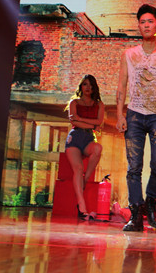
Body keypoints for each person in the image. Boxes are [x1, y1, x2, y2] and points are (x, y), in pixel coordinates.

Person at [117, 4, 156, 232]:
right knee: (134, 166)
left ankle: (151, 203)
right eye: (142, 22)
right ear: (138, 26)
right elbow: (121, 85)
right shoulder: (129, 55)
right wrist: (120, 114)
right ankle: (135, 214)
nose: (146, 25)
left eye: (150, 21)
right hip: (134, 114)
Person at [65, 74, 104, 220]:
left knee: (98, 148)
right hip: (74, 138)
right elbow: (74, 122)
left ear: (94, 88)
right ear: (81, 86)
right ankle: (82, 207)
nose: (88, 87)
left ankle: (86, 179)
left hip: (88, 139)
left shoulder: (99, 104)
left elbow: (99, 122)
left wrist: (81, 119)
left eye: (91, 85)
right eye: (85, 84)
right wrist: (92, 125)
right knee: (78, 168)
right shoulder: (74, 102)